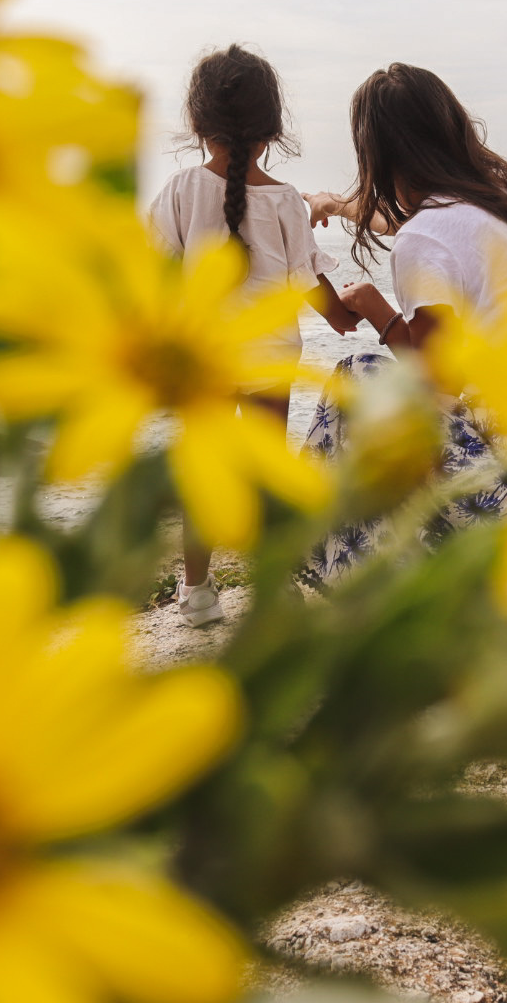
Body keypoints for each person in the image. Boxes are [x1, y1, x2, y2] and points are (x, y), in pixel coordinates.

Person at [297, 62, 507, 586]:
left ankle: (346, 578)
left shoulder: (427, 238)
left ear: (376, 153)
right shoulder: (492, 217)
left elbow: (435, 383)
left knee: (359, 377)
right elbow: (401, 222)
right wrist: (334, 202)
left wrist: (377, 311)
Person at [149, 44, 358, 626]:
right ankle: (271, 591)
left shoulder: (179, 193)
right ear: (273, 127)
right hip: (271, 358)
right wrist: (342, 318)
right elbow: (308, 279)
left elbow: (155, 278)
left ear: (197, 123)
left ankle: (196, 593)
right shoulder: (288, 201)